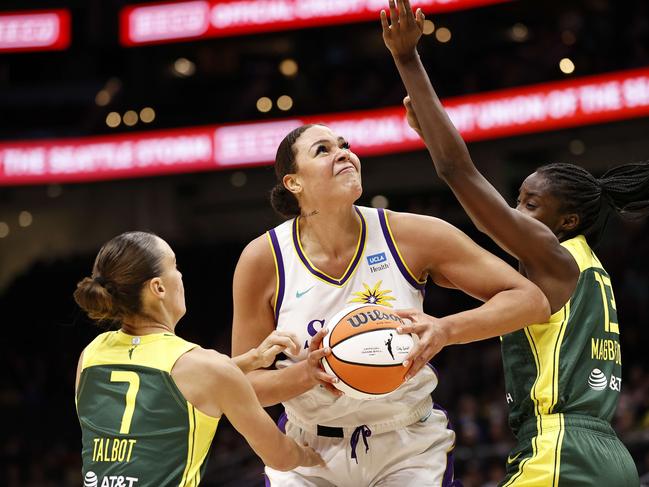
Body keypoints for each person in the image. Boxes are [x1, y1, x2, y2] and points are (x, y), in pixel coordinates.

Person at [382, 0, 647, 484]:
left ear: (566, 220)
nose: (516, 214)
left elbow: (456, 170)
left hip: (559, 448)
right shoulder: (584, 271)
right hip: (609, 456)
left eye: (530, 205)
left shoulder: (555, 257)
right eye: (517, 200)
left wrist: (407, 60)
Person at [231, 99, 550, 484]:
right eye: (323, 150)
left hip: (406, 444)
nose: (344, 154)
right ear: (293, 182)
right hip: (310, 449)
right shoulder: (263, 258)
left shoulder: (412, 235)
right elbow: (243, 385)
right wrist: (309, 374)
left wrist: (446, 330)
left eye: (345, 145)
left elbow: (530, 300)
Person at [73, 231, 324, 487]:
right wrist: (312, 457)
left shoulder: (90, 356)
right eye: (175, 266)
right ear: (158, 287)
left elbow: (158, 386)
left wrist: (250, 360)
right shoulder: (207, 368)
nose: (180, 275)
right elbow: (279, 456)